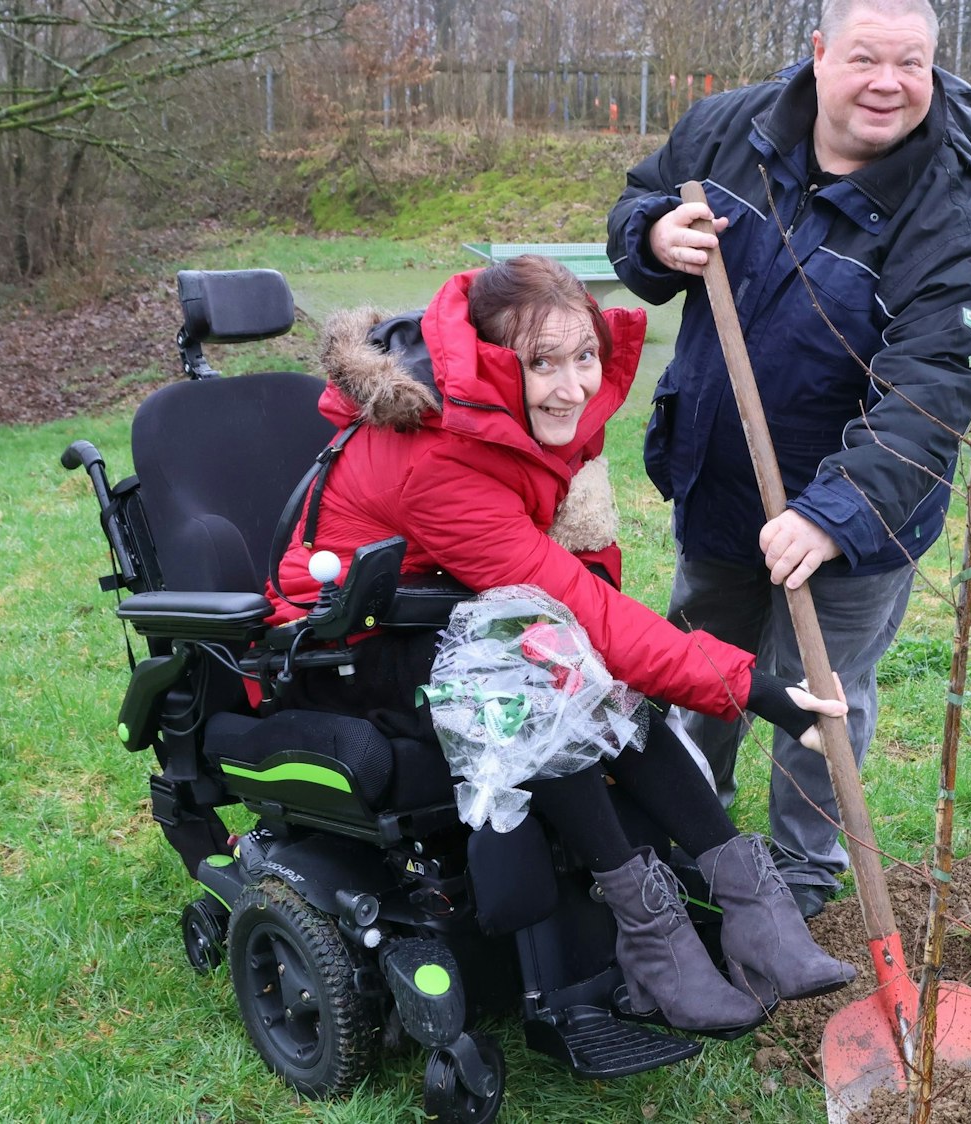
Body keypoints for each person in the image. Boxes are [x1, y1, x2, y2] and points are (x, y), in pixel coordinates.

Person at [266, 256, 855, 1033]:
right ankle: (655, 946)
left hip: (451, 615)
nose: (574, 386)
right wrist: (756, 690)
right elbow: (580, 611)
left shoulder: (506, 420)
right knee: (540, 677)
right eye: (543, 362)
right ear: (489, 362)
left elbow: (583, 598)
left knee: (597, 676)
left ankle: (755, 915)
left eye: (585, 357)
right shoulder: (436, 459)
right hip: (341, 646)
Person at [605, 0, 971, 917]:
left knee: (817, 695)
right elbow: (641, 196)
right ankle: (685, 836)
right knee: (697, 665)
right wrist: (651, 236)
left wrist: (832, 516)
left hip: (860, 509)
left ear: (935, 66)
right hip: (721, 475)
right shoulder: (728, 128)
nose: (887, 82)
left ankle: (799, 878)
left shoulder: (948, 200)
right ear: (820, 53)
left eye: (909, 63)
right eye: (866, 57)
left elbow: (930, 387)